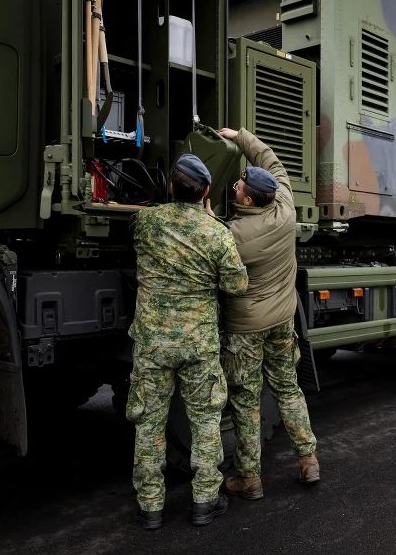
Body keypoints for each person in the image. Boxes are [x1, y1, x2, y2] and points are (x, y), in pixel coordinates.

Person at [126, 153, 249, 529]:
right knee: (206, 421)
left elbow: (137, 224)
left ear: (169, 187)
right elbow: (236, 285)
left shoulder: (146, 222)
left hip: (153, 344)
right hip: (198, 344)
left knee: (148, 424)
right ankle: (204, 502)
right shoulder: (217, 233)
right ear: (207, 192)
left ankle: (150, 508)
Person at [217, 126, 319, 500]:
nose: (234, 188)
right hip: (282, 320)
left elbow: (215, 258)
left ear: (250, 201)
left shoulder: (234, 235)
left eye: (240, 188)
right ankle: (309, 460)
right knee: (288, 389)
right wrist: (242, 136)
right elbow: (271, 160)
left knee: (245, 399)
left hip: (245, 329)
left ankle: (249, 478)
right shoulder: (285, 210)